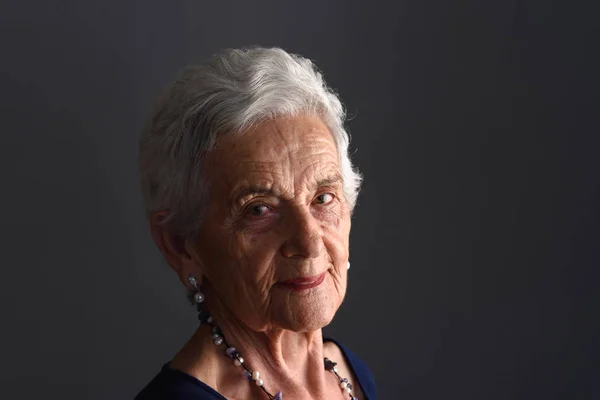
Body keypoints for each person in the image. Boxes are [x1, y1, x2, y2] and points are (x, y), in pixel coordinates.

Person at [134, 46, 377, 400]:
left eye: (323, 198)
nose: (309, 242)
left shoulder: (349, 374)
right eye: (258, 210)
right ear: (180, 243)